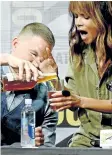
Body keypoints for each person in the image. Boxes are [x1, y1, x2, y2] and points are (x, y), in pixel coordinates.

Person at [49, 1, 112, 147]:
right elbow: (71, 103)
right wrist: (53, 77)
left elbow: (78, 101)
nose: (78, 22)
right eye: (76, 16)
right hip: (87, 139)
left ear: (103, 19)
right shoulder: (78, 53)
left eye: (85, 17)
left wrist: (81, 101)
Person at [1, 22, 58, 147]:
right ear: (15, 44)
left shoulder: (46, 95)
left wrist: (34, 145)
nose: (36, 64)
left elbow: (48, 147)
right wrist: (5, 58)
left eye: (42, 60)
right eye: (33, 54)